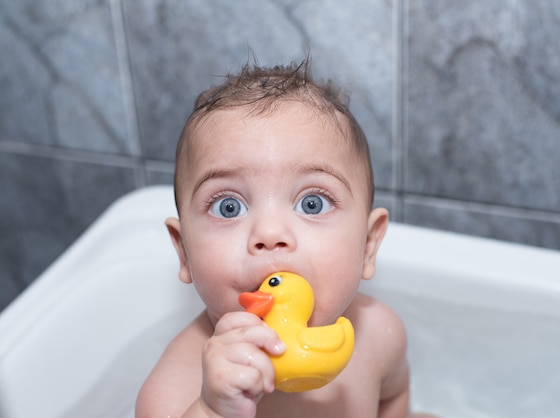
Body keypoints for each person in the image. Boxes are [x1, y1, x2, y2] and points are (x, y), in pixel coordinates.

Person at [136, 58, 434, 418]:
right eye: (229, 207)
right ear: (184, 253)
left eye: (313, 202)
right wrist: (212, 411)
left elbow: (393, 396)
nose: (270, 234)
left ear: (368, 245)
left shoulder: (380, 335)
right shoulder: (175, 392)